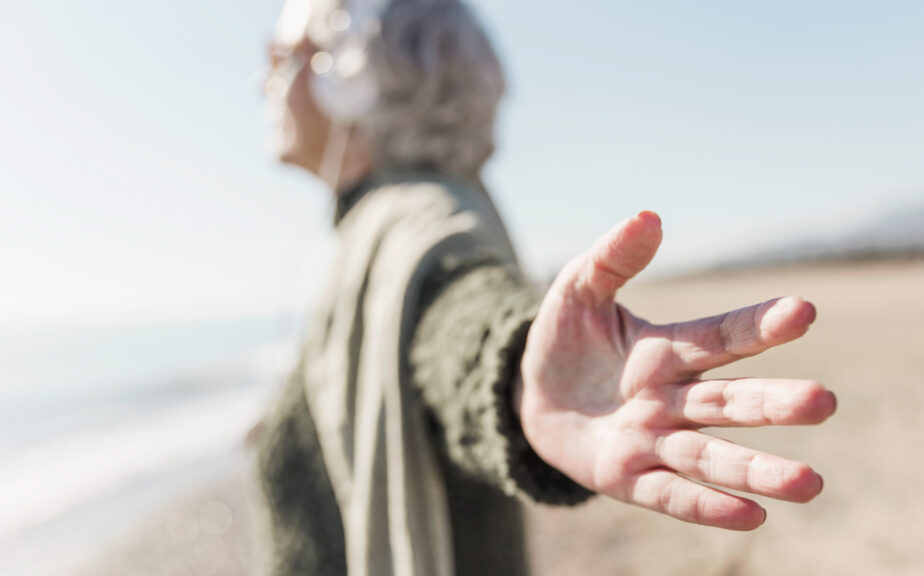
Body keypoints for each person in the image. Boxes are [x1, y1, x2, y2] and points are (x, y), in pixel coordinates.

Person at [253, 0, 838, 574]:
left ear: (352, 80)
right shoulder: (388, 226)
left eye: (283, 59)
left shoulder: (418, 226)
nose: (264, 83)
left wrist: (515, 365)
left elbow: (457, 315)